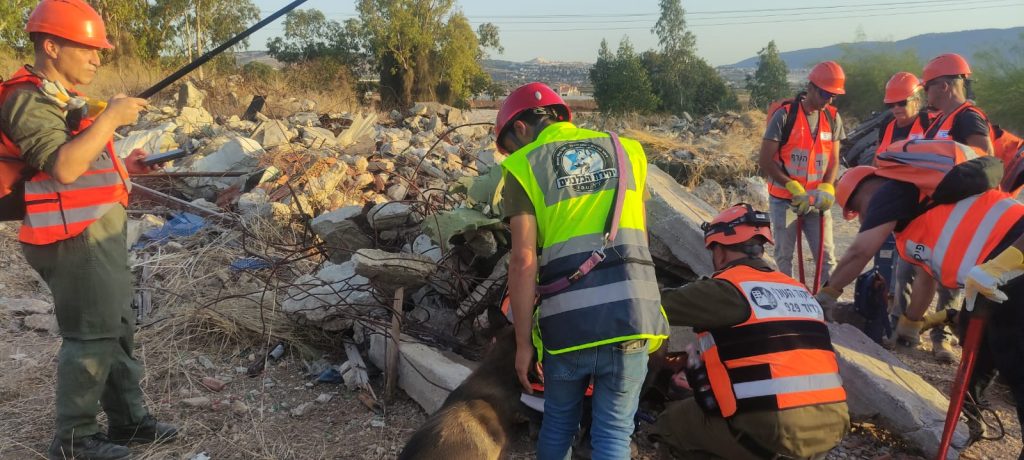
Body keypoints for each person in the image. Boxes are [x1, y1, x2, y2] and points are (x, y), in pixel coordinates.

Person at [0, 1, 177, 458]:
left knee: (116, 328)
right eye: (88, 48)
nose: (99, 57)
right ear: (52, 46)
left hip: (96, 228)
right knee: (91, 336)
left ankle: (129, 422)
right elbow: (63, 166)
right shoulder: (26, 98)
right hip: (72, 237)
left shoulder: (59, 96)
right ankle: (74, 439)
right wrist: (111, 118)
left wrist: (127, 165)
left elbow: (84, 156)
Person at [498, 82, 670, 460]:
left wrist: (524, 344)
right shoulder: (629, 151)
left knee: (559, 422)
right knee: (613, 433)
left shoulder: (524, 166)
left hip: (568, 324)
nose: (511, 153)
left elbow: (524, 260)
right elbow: (639, 233)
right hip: (632, 316)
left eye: (510, 144)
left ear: (521, 129)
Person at [818, 166, 1024, 451]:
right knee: (975, 347)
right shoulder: (919, 208)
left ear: (867, 187)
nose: (863, 218)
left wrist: (826, 295)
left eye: (857, 207)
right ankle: (970, 424)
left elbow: (859, 251)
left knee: (1015, 362)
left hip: (1015, 262)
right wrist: (911, 324)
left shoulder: (892, 191)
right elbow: (927, 276)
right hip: (991, 276)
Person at [650, 204, 849, 459]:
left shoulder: (725, 290)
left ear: (719, 251)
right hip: (830, 428)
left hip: (775, 433)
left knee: (670, 424)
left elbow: (649, 305)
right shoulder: (800, 292)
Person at [874, 71, 960, 362]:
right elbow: (880, 160)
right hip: (904, 213)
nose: (897, 109)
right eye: (892, 104)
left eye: (902, 103)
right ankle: (902, 329)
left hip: (938, 210)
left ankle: (941, 339)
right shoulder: (889, 127)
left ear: (917, 100)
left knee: (945, 276)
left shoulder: (933, 124)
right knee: (903, 273)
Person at [758, 60, 847, 288]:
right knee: (784, 256)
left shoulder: (832, 118)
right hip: (785, 201)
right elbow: (766, 160)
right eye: (825, 94)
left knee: (826, 257)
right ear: (811, 87)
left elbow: (834, 159)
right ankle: (789, 303)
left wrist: (828, 186)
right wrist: (791, 186)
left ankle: (828, 306)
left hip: (817, 201)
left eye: (833, 96)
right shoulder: (785, 116)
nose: (828, 100)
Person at [921, 53, 993, 155]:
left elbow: (986, 163)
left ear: (943, 87)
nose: (925, 92)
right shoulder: (940, 118)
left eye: (926, 87)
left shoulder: (969, 119)